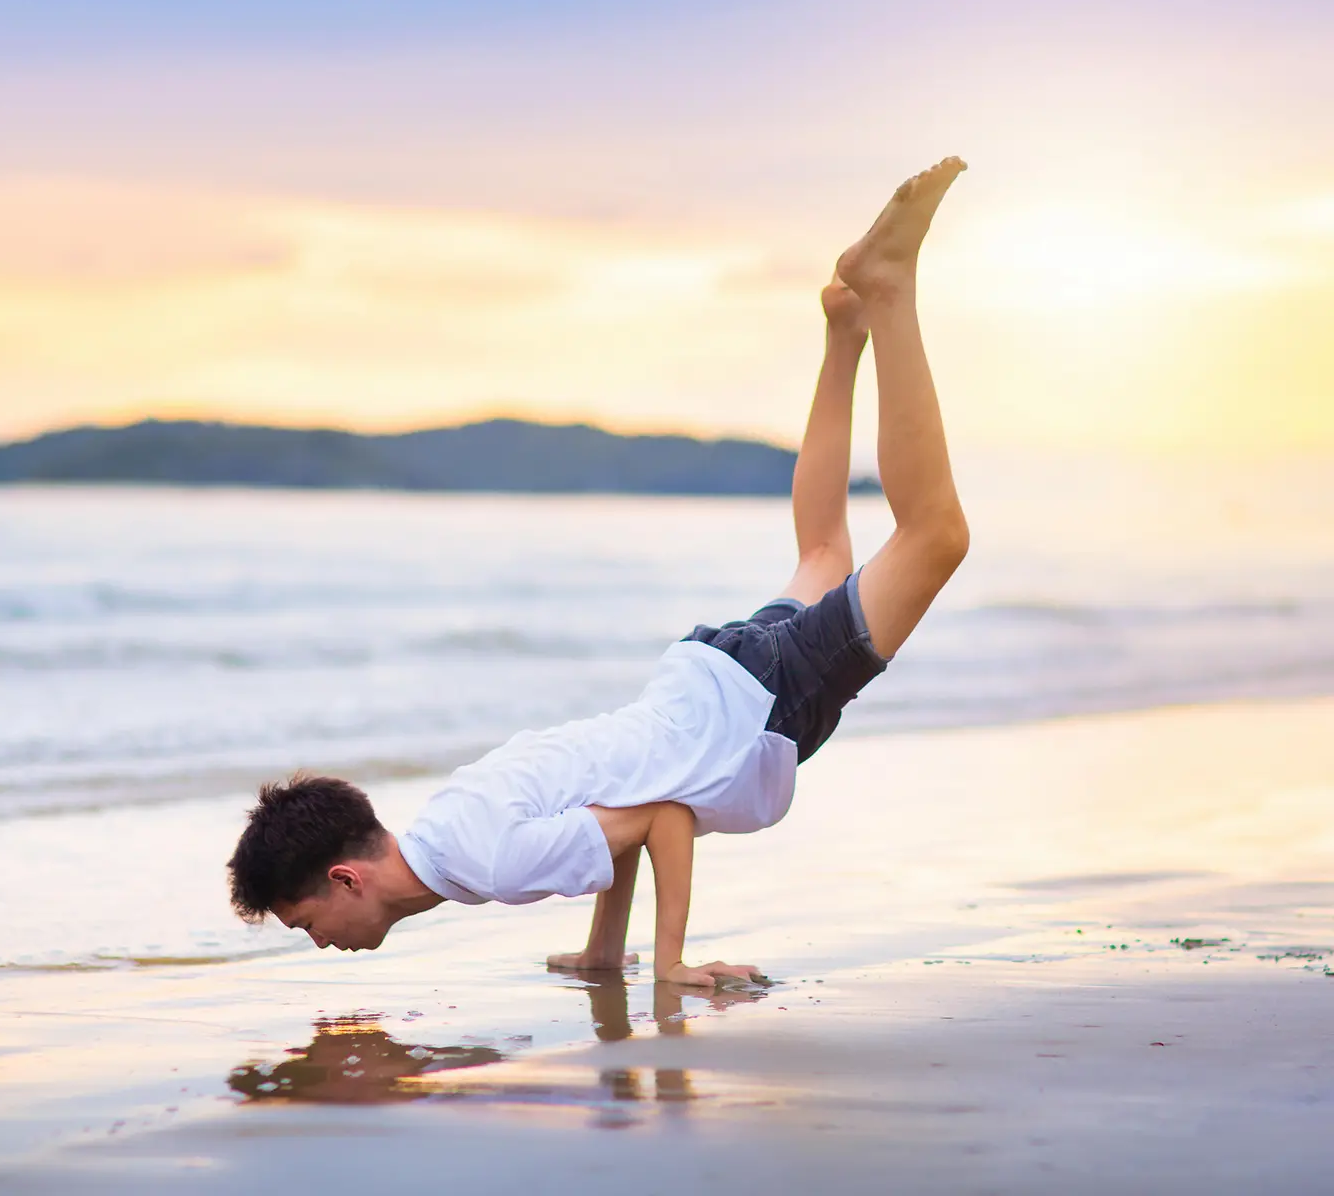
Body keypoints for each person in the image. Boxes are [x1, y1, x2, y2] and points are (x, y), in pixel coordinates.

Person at [228, 157, 971, 988]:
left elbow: (659, 817)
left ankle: (887, 293)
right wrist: (600, 954)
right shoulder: (451, 829)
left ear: (345, 879)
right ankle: (844, 330)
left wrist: (670, 965)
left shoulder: (485, 861)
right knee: (823, 556)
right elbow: (604, 822)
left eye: (306, 925)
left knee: (934, 536)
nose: (319, 942)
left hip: (747, 710)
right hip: (705, 684)